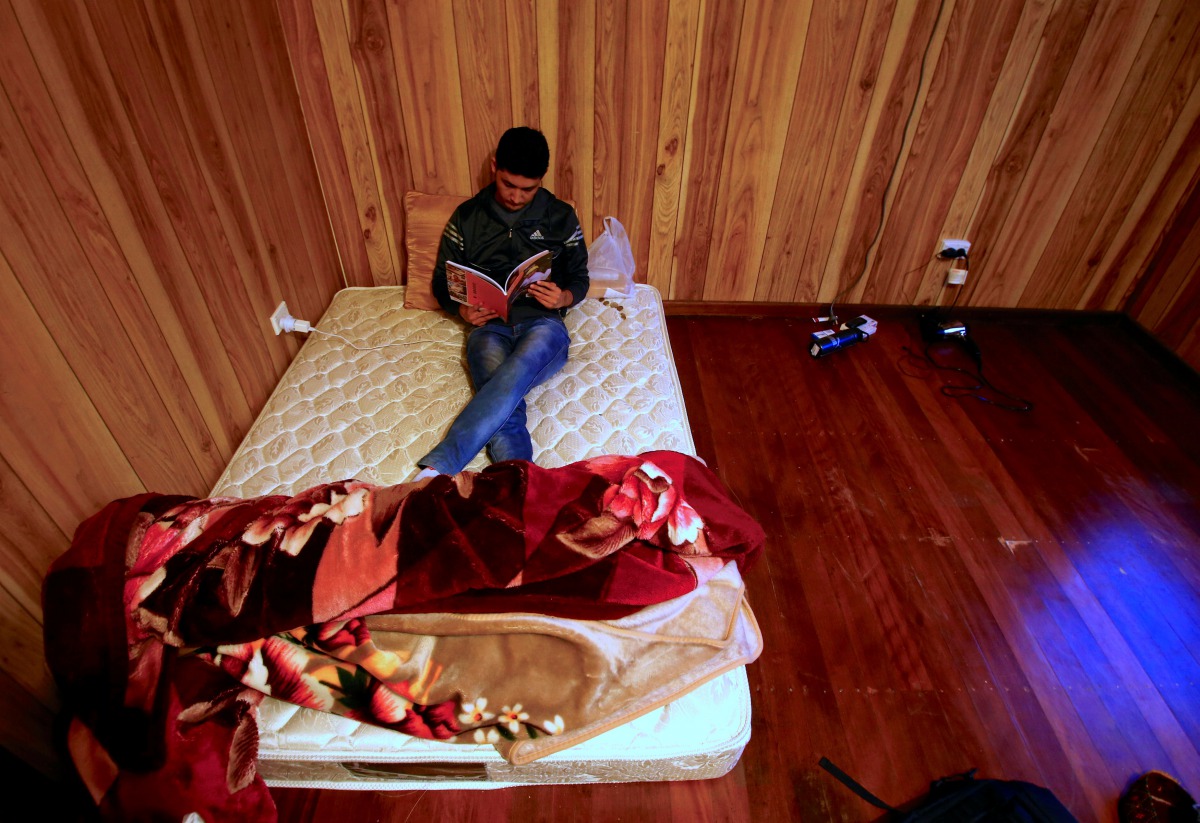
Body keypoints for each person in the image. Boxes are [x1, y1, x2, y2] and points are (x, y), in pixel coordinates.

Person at [412, 127, 589, 478]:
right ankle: (521, 482)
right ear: (495, 167)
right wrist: (461, 309)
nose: (516, 197)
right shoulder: (467, 217)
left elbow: (580, 277)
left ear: (541, 181)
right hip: (489, 326)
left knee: (515, 372)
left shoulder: (560, 216)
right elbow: (440, 283)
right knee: (505, 397)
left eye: (528, 189)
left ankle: (440, 465)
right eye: (509, 185)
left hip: (543, 323)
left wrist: (564, 296)